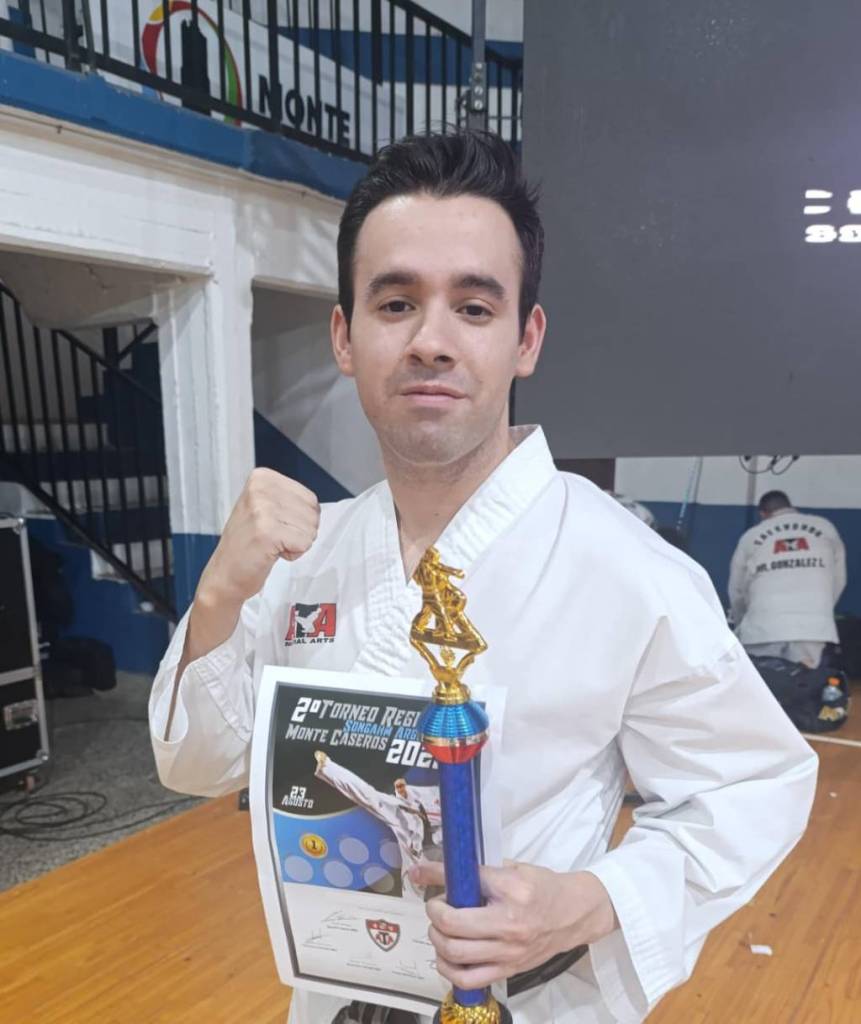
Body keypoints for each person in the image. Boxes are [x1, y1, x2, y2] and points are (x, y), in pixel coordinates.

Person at [148, 131, 817, 1024]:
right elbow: (196, 766)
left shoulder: (626, 567)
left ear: (525, 339)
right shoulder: (302, 554)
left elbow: (753, 783)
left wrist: (592, 900)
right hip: (331, 995)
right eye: (395, 303)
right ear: (344, 336)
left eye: (472, 307)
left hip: (533, 1003)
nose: (430, 341)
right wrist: (217, 596)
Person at [729, 489, 847, 668]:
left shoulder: (751, 536)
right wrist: (819, 611)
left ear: (763, 514)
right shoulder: (825, 528)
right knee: (806, 681)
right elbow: (839, 579)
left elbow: (737, 590)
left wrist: (742, 623)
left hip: (762, 629)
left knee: (764, 682)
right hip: (812, 630)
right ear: (790, 506)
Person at [313, 750, 441, 900]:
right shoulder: (406, 815)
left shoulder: (451, 804)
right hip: (416, 887)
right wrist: (328, 768)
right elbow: (369, 795)